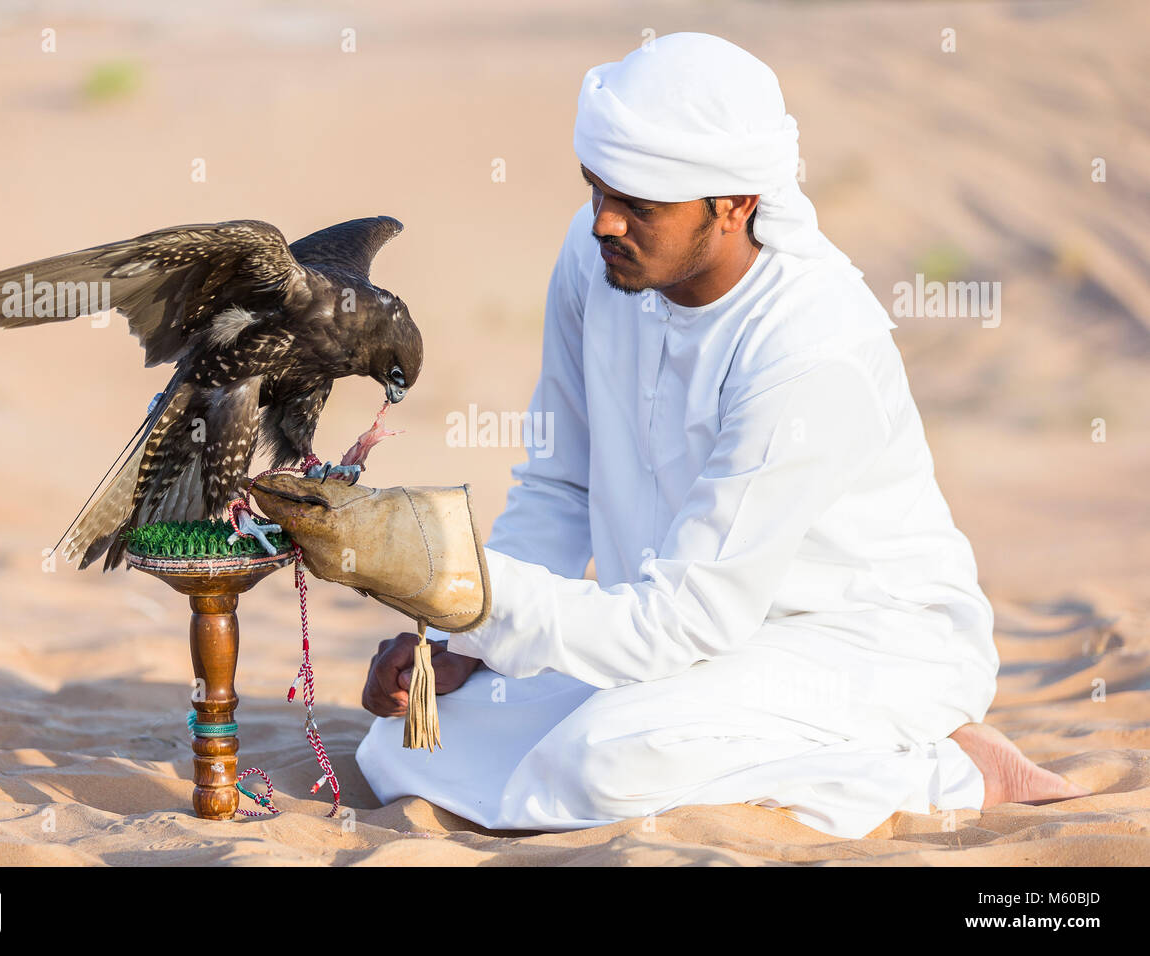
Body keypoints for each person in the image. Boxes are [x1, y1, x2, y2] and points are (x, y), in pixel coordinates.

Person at [353, 32, 1087, 838]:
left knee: (601, 764)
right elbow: (560, 484)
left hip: (858, 643)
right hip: (677, 635)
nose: (604, 221)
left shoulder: (809, 345)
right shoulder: (595, 258)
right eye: (597, 188)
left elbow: (689, 617)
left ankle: (947, 764)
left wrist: (477, 600)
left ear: (736, 202)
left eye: (638, 203)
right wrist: (470, 641)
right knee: (409, 742)